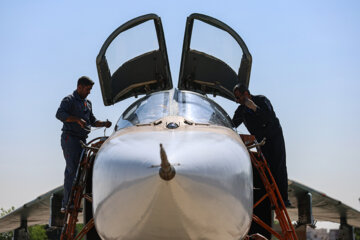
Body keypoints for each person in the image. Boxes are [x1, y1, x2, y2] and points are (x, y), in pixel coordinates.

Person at [232, 83, 289, 238]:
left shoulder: (261, 100)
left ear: (246, 93)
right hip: (261, 142)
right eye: (236, 98)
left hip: (274, 137)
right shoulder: (241, 110)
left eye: (239, 97)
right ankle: (270, 202)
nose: (237, 101)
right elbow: (232, 124)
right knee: (267, 170)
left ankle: (283, 200)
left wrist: (254, 108)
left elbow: (269, 117)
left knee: (278, 166)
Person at [56, 76, 112, 212]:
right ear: (79, 87)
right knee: (72, 169)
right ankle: (67, 203)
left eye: (90, 90)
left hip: (82, 141)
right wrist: (76, 120)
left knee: (82, 171)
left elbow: (92, 121)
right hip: (70, 139)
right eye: (87, 89)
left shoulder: (88, 103)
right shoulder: (69, 100)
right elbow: (59, 114)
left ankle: (75, 202)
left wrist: (104, 123)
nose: (89, 92)